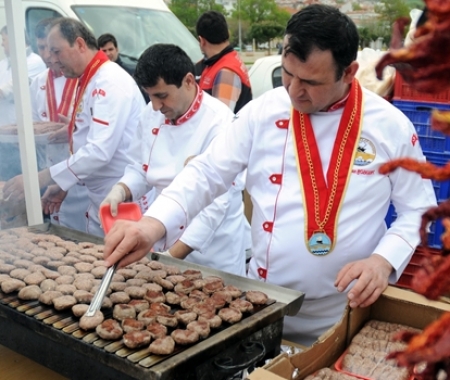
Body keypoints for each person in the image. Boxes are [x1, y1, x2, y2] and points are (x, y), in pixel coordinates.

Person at [102, 4, 436, 345]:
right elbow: (207, 172)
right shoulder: (264, 111)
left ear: (348, 72)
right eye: (288, 74)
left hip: (345, 307)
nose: (293, 91)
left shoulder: (389, 126)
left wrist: (383, 261)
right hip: (265, 300)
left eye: (310, 82)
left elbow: (418, 209)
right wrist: (151, 225)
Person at [101, 43, 249, 276]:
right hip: (160, 231)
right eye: (150, 96)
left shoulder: (220, 122)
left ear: (189, 81)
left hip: (210, 251)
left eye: (162, 96)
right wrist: (121, 190)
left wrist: (171, 257)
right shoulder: (151, 113)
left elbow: (215, 204)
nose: (157, 106)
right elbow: (141, 167)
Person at [3, 17, 145, 237]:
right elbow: (91, 133)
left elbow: (99, 151)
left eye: (56, 51)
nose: (51, 58)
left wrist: (40, 178)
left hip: (121, 197)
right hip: (99, 195)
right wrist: (71, 132)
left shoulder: (108, 82)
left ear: (79, 44)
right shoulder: (91, 78)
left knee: (124, 265)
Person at [28, 17, 89, 232]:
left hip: (82, 176)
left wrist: (72, 130)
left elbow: (93, 132)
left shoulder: (82, 78)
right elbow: (35, 123)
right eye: (41, 48)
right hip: (51, 169)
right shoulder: (38, 82)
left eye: (51, 49)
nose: (46, 56)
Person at [194, 11, 252, 113]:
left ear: (202, 41)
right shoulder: (222, 61)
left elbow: (220, 119)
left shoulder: (227, 72)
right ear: (227, 33)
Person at [0, 25, 46, 127]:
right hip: (4, 127)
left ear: (14, 39)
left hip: (21, 125)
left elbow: (9, 90)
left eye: (4, 39)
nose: (2, 44)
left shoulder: (35, 62)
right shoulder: (3, 63)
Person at [98, 33, 149, 104]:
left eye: (110, 49)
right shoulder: (95, 75)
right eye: (104, 51)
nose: (108, 54)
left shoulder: (132, 73)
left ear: (117, 50)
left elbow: (145, 99)